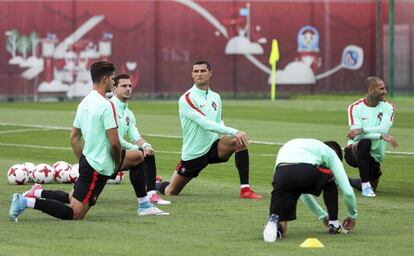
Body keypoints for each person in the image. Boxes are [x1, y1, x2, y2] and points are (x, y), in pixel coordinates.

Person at [9, 61, 162, 222]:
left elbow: (74, 137)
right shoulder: (106, 106)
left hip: (89, 161)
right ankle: (25, 201)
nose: (113, 82)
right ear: (105, 79)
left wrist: (82, 161)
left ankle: (144, 205)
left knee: (138, 157)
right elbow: (115, 143)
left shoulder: (85, 102)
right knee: (75, 214)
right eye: (112, 78)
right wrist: (116, 165)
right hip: (99, 167)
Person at [156, 60, 262, 199]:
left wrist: (225, 134)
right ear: (192, 75)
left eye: (203, 71)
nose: (199, 74)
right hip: (194, 154)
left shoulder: (215, 97)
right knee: (171, 191)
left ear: (210, 73)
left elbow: (218, 121)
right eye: (196, 71)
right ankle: (155, 183)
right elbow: (204, 123)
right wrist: (234, 131)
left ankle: (245, 190)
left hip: (213, 147)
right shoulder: (187, 98)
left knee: (239, 141)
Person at [263, 138, 358, 243]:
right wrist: (352, 215)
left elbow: (301, 191)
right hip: (304, 170)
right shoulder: (331, 154)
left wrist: (323, 216)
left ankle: (275, 227)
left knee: (283, 225)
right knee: (330, 178)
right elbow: (348, 192)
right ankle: (334, 225)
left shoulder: (309, 147)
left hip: (281, 175)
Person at [111, 73, 171, 205]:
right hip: (105, 154)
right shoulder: (109, 107)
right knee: (139, 155)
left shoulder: (128, 112)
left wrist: (146, 146)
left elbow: (135, 136)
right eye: (123, 86)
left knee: (147, 154)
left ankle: (150, 194)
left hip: (118, 155)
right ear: (114, 88)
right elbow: (115, 139)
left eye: (130, 86)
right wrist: (136, 149)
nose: (128, 89)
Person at [345, 76, 397, 197]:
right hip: (353, 151)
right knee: (365, 142)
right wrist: (380, 136)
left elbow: (383, 129)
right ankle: (365, 186)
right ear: (370, 90)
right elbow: (356, 137)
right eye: (381, 89)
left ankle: (343, 180)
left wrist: (363, 129)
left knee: (374, 186)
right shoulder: (355, 107)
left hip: (375, 156)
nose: (385, 91)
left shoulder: (388, 107)